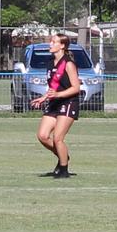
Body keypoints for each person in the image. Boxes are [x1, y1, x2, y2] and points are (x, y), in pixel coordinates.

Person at [30, 32, 80, 179]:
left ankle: (63, 169)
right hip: (54, 103)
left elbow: (76, 88)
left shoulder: (69, 64)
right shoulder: (50, 63)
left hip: (68, 102)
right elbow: (53, 87)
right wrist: (44, 97)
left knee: (58, 138)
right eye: (50, 41)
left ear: (62, 45)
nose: (50, 44)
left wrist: (58, 95)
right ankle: (63, 155)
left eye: (53, 42)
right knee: (43, 136)